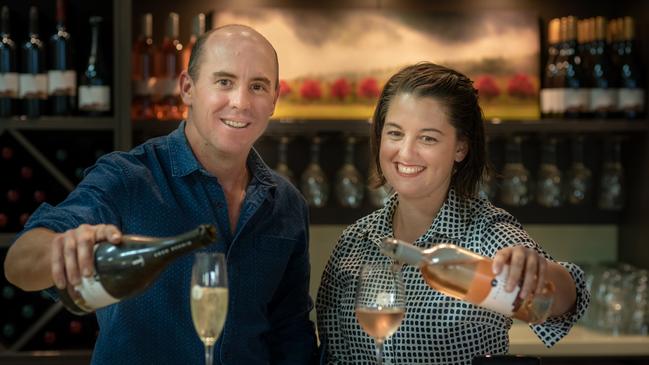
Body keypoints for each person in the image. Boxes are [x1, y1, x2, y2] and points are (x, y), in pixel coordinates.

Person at [4, 24, 317, 364]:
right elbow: (19, 264)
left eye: (257, 86)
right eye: (224, 82)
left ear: (273, 101)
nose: (240, 102)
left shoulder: (287, 204)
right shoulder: (126, 177)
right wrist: (60, 250)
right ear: (187, 88)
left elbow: (291, 335)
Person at [316, 62, 589, 364]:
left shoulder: (488, 233)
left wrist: (537, 273)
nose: (405, 152)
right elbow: (329, 355)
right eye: (395, 133)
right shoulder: (354, 241)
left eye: (428, 138)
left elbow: (561, 300)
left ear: (460, 147)